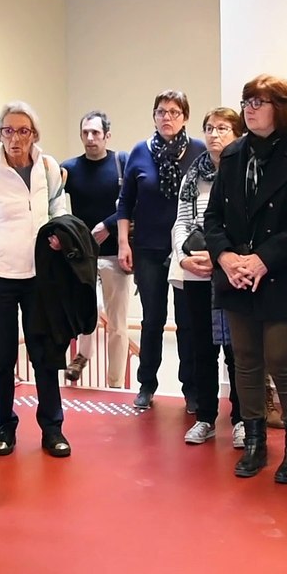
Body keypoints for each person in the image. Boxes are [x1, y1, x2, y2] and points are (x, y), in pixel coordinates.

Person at [205, 74, 287, 483]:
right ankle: (255, 441)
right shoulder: (233, 154)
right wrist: (226, 257)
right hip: (237, 274)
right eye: (246, 102)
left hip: (282, 275)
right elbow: (213, 218)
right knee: (246, 361)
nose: (250, 109)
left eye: (259, 102)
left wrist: (263, 260)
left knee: (283, 362)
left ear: (283, 107)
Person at [0, 101, 72, 457]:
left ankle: (52, 428)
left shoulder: (48, 167)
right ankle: (4, 427)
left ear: (34, 135)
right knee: (2, 356)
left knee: (45, 354)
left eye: (23, 131)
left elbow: (59, 210)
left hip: (39, 276)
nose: (15, 138)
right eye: (8, 131)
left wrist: (60, 236)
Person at [117, 90, 204, 410]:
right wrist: (123, 243)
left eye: (174, 112)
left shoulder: (199, 151)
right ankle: (146, 385)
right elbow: (125, 202)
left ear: (185, 117)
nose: (167, 117)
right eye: (161, 112)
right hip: (148, 248)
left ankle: (191, 388)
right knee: (152, 319)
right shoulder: (140, 151)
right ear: (154, 116)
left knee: (188, 322)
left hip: (186, 251)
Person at [171, 107, 244, 446]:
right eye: (210, 128)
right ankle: (205, 417)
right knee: (202, 348)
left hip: (232, 272)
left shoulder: (245, 171)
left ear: (238, 134)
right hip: (197, 273)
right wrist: (184, 258)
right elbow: (182, 222)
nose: (214, 134)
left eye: (223, 128)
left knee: (237, 351)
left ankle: (242, 419)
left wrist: (220, 257)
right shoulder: (192, 175)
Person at [61, 110, 132, 387]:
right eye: (85, 133)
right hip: (83, 256)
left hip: (115, 253)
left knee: (117, 323)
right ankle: (83, 355)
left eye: (96, 133)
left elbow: (134, 202)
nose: (90, 138)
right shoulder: (69, 168)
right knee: (89, 308)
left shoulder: (121, 163)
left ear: (106, 135)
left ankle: (115, 382)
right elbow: (52, 200)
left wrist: (108, 225)